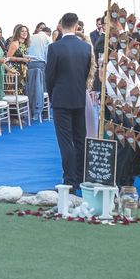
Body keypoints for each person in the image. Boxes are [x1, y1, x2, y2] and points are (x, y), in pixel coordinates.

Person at [46, 12, 92, 190]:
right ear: (76, 26)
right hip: (79, 97)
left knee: (66, 141)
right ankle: (80, 177)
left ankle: (69, 180)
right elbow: (86, 73)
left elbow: (49, 77)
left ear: (61, 25)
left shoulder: (55, 48)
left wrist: (52, 95)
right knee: (80, 139)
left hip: (60, 98)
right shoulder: (86, 48)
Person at [26, 26, 50, 120]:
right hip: (40, 64)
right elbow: (48, 54)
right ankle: (42, 112)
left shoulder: (31, 37)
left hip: (28, 63)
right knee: (41, 89)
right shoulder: (47, 38)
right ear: (48, 33)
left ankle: (30, 111)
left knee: (30, 88)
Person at [6, 25, 31, 95]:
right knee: (16, 91)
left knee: (22, 91)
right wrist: (22, 59)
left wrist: (27, 59)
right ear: (18, 33)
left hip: (23, 70)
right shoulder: (15, 43)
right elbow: (8, 57)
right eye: (22, 31)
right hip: (15, 70)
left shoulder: (24, 44)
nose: (24, 33)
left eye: (26, 31)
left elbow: (23, 55)